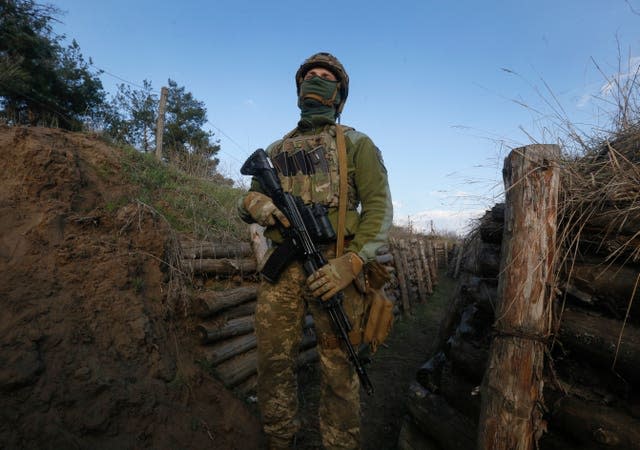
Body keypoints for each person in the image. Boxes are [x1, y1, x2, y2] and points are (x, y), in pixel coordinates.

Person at [238, 52, 393, 449]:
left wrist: (353, 261)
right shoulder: (277, 149)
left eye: (326, 77)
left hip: (336, 269)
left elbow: (378, 209)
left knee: (340, 368)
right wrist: (265, 207)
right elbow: (248, 201)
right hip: (284, 267)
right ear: (299, 88)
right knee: (273, 361)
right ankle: (279, 437)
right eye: (310, 76)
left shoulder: (357, 144)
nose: (316, 81)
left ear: (338, 94)